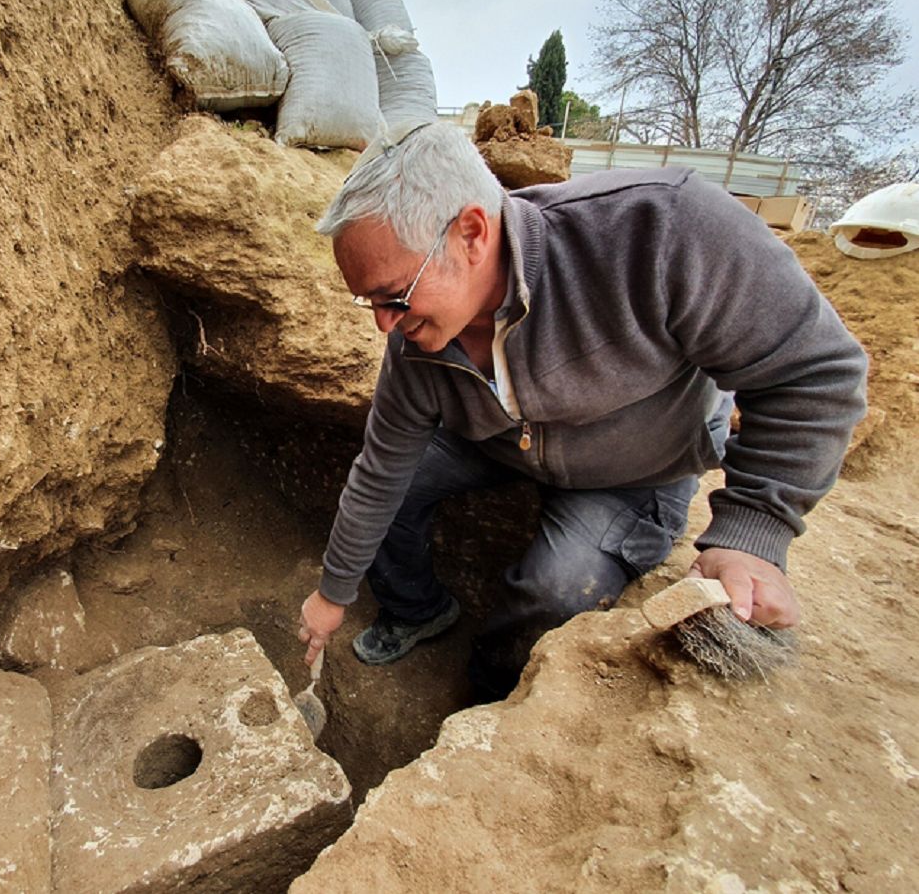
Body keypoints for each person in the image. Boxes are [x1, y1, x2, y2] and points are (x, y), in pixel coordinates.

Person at [295, 122, 868, 702]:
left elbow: (814, 372)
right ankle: (418, 610)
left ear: (471, 233)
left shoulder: (663, 231)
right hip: (496, 440)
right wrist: (333, 594)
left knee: (556, 589)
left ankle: (491, 698)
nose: (384, 325)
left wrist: (752, 534)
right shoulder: (416, 338)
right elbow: (381, 470)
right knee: (398, 492)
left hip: (636, 469)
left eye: (394, 296)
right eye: (368, 301)